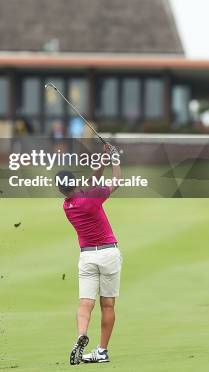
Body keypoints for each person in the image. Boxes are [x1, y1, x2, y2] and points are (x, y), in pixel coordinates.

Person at [58, 144, 122, 365]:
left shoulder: (67, 205)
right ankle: (102, 350)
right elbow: (116, 182)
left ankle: (81, 334)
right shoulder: (91, 199)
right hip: (108, 255)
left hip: (86, 258)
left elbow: (92, 182)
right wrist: (115, 160)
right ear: (75, 183)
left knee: (85, 303)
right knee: (108, 304)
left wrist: (103, 159)